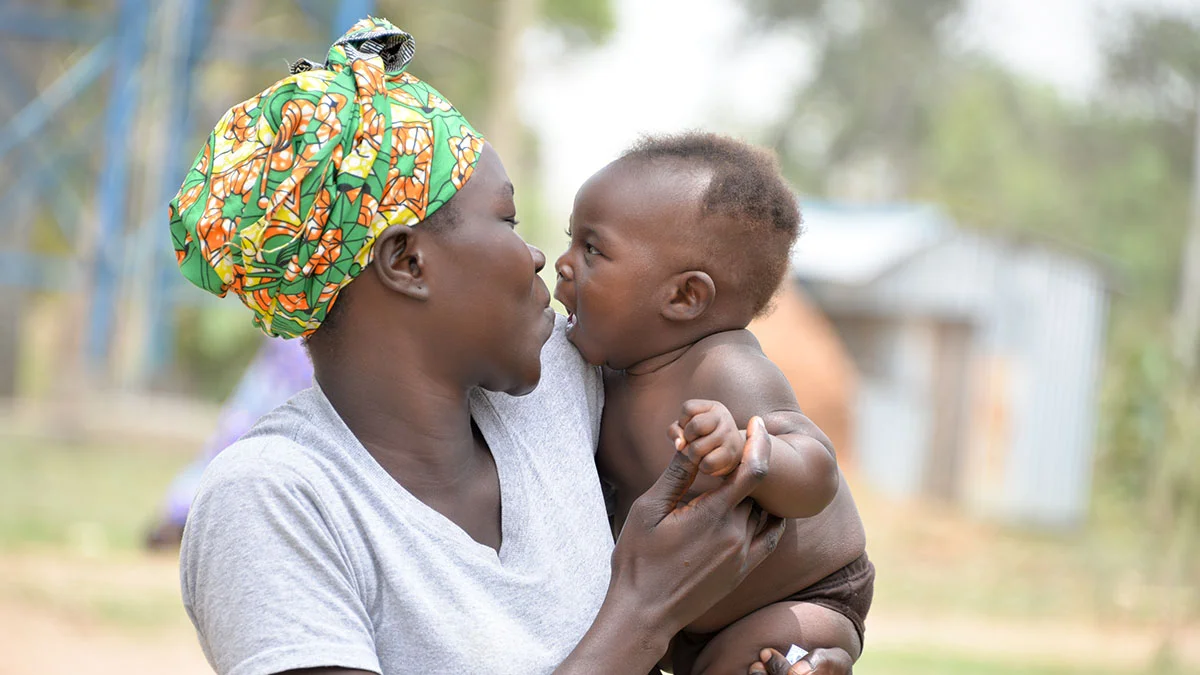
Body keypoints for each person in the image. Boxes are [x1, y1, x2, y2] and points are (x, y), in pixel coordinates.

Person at [166, 17, 818, 674]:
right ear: (408, 263)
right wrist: (643, 610)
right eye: (506, 219)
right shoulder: (279, 499)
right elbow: (649, 603)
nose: (537, 255)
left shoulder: (572, 382)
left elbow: (784, 512)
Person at [554, 133, 872, 674]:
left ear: (684, 297)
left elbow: (817, 471)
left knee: (762, 658)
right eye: (570, 241)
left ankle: (821, 662)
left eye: (592, 250)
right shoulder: (596, 374)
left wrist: (746, 449)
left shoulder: (724, 368)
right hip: (678, 611)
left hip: (799, 597)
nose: (562, 264)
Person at [146, 337, 312, 549]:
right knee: (237, 437)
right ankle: (183, 515)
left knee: (246, 440)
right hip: (287, 358)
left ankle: (187, 515)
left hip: (295, 362)